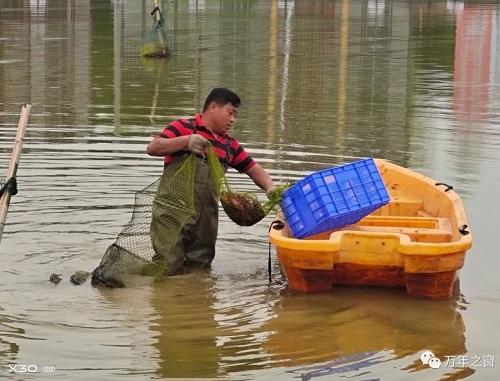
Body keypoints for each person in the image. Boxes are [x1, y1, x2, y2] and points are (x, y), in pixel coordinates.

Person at [146, 87, 275, 275]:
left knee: (200, 270)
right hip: (172, 213)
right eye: (230, 113)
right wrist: (186, 142)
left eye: (235, 116)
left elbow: (253, 168)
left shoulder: (229, 145)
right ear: (213, 107)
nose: (233, 120)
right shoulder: (183, 127)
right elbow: (153, 147)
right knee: (167, 267)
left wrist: (270, 188)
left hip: (205, 220)